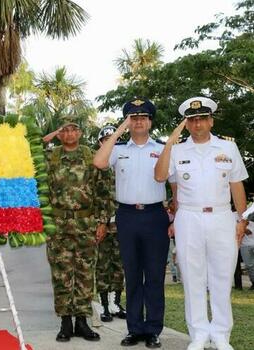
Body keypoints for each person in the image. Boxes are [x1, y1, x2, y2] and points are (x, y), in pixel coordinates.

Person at [154, 96, 249, 350]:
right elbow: (161, 176)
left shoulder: (228, 148)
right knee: (192, 275)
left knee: (222, 275)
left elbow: (237, 184)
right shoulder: (177, 149)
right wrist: (171, 141)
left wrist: (242, 219)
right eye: (192, 120)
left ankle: (221, 334)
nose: (198, 125)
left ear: (211, 121)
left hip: (221, 216)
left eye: (202, 119)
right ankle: (198, 333)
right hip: (189, 217)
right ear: (187, 123)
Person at [93, 97, 171, 348]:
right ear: (128, 121)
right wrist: (118, 130)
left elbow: (176, 184)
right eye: (133, 118)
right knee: (133, 274)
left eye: (143, 117)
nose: (138, 122)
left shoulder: (162, 148)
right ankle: (134, 329)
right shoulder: (119, 150)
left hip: (155, 216)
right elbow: (99, 162)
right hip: (127, 217)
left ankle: (153, 329)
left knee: (155, 276)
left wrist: (174, 217)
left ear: (150, 121)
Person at [45, 117, 112, 343]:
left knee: (85, 273)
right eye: (64, 130)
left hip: (87, 224)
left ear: (81, 133)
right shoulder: (50, 157)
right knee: (61, 274)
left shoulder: (92, 157)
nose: (70, 134)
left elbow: (104, 191)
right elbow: (27, 149)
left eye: (74, 130)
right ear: (59, 133)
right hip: (58, 226)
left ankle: (82, 321)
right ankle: (65, 322)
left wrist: (103, 221)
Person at [94, 125, 127, 323]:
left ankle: (116, 303)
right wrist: (100, 221)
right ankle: (104, 305)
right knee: (102, 265)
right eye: (105, 140)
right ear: (100, 143)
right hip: (103, 222)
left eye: (113, 139)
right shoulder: (97, 165)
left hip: (122, 222)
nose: (110, 143)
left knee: (119, 264)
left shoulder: (125, 162)